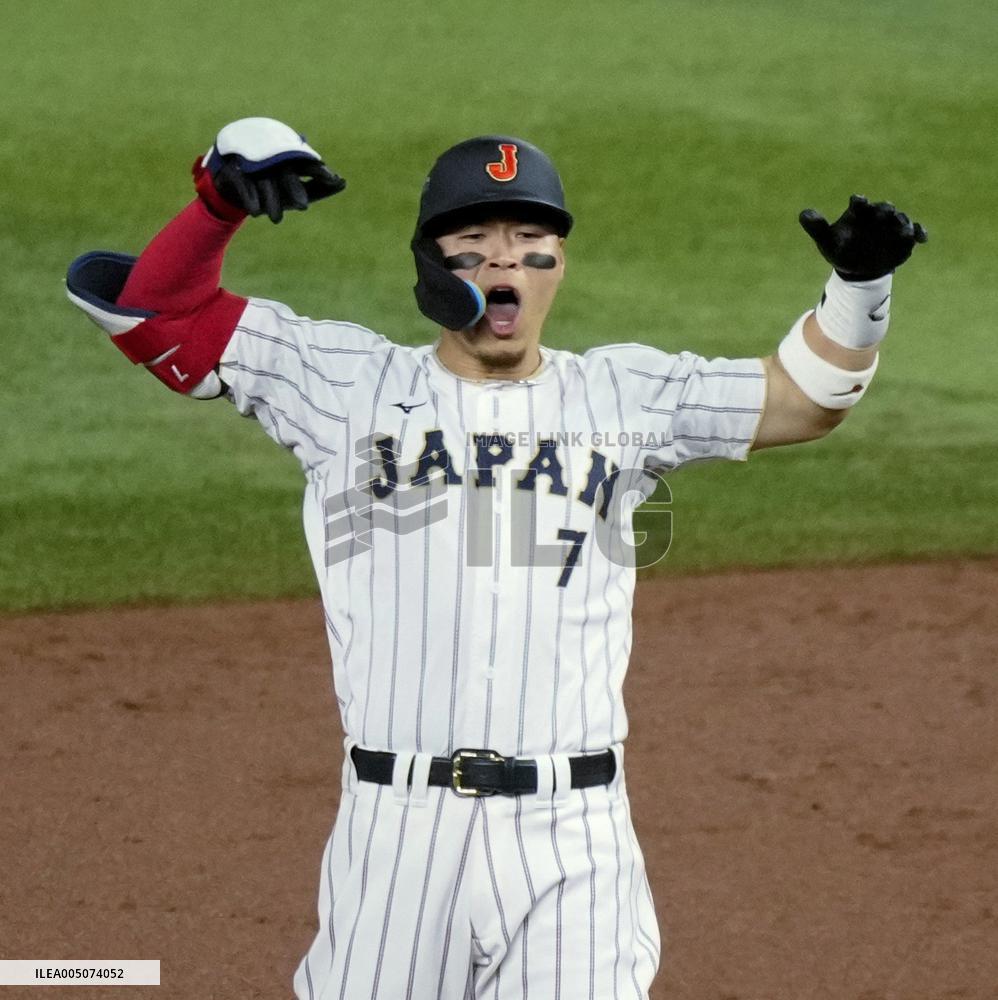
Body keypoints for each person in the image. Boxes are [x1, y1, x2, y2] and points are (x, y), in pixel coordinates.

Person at [66, 117, 926, 999]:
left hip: (572, 835)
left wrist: (859, 286)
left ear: (560, 264)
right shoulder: (347, 386)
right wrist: (217, 202)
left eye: (529, 243)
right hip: (398, 831)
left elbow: (807, 397)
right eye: (472, 245)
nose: (503, 263)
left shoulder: (624, 396)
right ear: (429, 270)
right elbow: (155, 314)